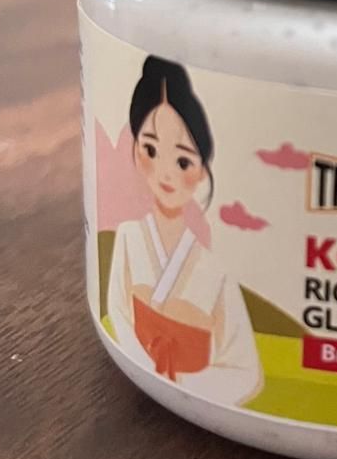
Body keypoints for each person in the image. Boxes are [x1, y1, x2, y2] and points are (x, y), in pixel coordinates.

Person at [107, 57, 262, 405]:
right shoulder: (129, 237)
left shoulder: (216, 273)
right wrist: (153, 363)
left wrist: (183, 378)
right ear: (134, 148)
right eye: (150, 149)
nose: (166, 173)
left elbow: (245, 370)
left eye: (182, 161)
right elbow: (117, 310)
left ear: (203, 170)